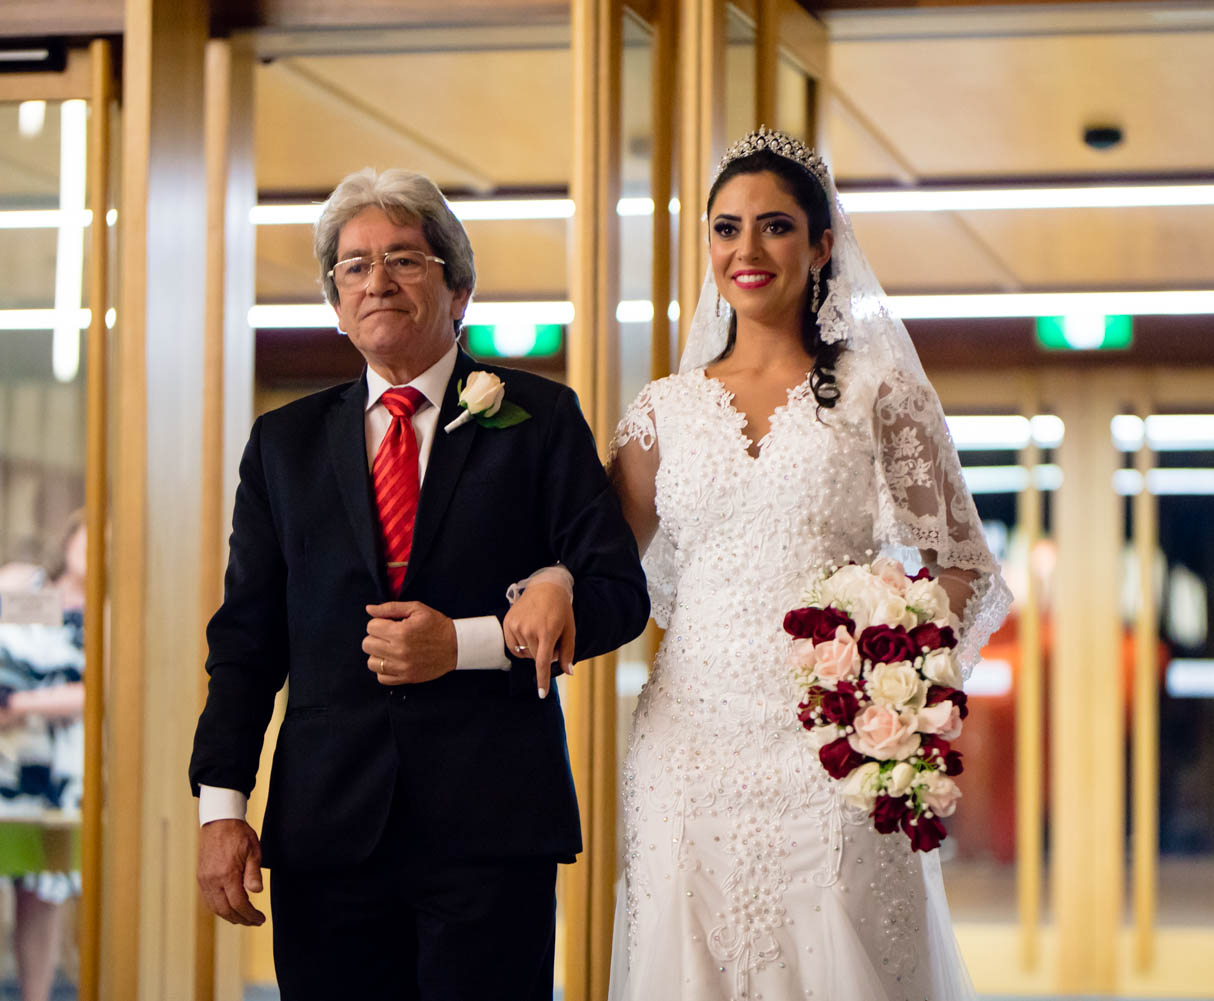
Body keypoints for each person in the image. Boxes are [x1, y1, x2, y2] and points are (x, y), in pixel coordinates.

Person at [188, 168, 649, 1001]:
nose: (377, 280)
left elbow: (617, 592)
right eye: (354, 266)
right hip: (327, 828)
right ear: (336, 304)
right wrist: (221, 806)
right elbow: (247, 638)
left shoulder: (541, 420)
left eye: (403, 259)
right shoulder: (283, 444)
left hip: (492, 824)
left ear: (458, 288)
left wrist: (465, 644)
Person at [607, 127, 1012, 1000]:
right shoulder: (663, 411)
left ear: (823, 246)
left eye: (776, 227)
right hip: (688, 748)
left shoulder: (879, 394)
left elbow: (964, 567)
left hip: (830, 748)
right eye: (726, 228)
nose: (746, 250)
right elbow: (600, 565)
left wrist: (891, 663)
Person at [0, 515, 87, 1001]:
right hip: (4, 761)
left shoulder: (107, 612)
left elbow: (95, 692)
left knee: (40, 894)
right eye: (88, 533)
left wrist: (16, 704)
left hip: (53, 770)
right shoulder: (31, 590)